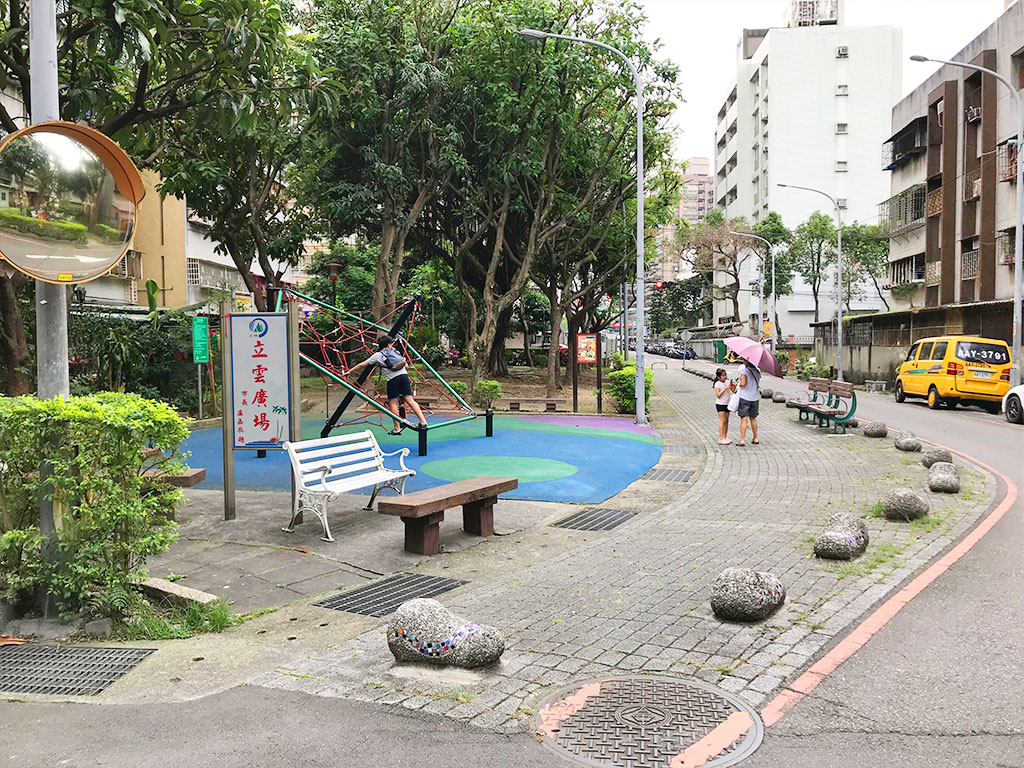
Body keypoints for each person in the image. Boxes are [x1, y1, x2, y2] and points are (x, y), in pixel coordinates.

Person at [346, 335, 427, 435]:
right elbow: (406, 366)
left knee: (393, 402)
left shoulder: (378, 355)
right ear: (388, 345)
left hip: (393, 379)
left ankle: (397, 428)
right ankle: (423, 421)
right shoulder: (395, 351)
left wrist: (350, 371)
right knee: (410, 400)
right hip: (404, 376)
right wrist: (404, 360)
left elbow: (363, 364)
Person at [736, 357, 761, 446]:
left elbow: (743, 384)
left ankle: (742, 440)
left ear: (747, 361)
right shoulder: (757, 372)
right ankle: (755, 438)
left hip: (745, 397)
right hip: (755, 397)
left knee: (744, 418)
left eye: (744, 360)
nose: (743, 361)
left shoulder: (744, 372)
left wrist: (737, 383)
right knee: (753, 418)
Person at [713, 368, 736, 445]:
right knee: (722, 420)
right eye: (723, 375)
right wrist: (725, 388)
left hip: (727, 403)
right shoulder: (718, 384)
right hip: (720, 404)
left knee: (727, 420)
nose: (725, 377)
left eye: (725, 375)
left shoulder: (727, 382)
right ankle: (721, 437)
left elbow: (733, 391)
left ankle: (725, 436)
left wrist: (733, 386)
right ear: (719, 377)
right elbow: (718, 395)